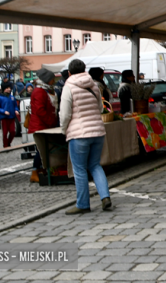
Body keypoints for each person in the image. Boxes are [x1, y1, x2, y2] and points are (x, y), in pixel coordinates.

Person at [60, 59, 111, 214]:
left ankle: (83, 204)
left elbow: (65, 113)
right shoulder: (93, 85)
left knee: (80, 169)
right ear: (84, 70)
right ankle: (105, 196)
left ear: (69, 72)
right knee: (95, 165)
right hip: (97, 131)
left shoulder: (68, 87)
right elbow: (99, 107)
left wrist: (63, 129)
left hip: (79, 134)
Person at [28, 68, 59, 183]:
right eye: (52, 79)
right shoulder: (39, 91)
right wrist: (50, 121)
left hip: (45, 124)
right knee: (41, 150)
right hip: (41, 125)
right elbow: (40, 111)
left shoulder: (45, 90)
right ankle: (35, 171)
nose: (53, 81)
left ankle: (40, 170)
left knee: (43, 149)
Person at [0, 82, 19, 148]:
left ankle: (8, 143)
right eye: (7, 88)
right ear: (4, 89)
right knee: (5, 133)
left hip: (11, 117)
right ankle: (5, 145)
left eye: (9, 88)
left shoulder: (12, 97)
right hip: (4, 117)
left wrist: (16, 110)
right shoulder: (0, 97)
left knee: (13, 131)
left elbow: (15, 106)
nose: (9, 89)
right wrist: (3, 111)